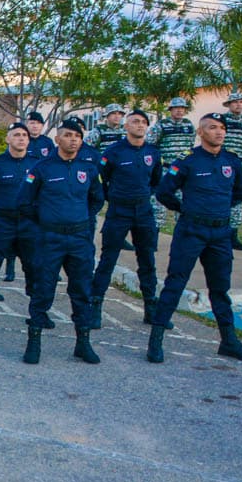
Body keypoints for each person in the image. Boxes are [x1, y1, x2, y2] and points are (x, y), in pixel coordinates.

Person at [147, 113, 242, 363]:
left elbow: (239, 192)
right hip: (191, 231)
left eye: (222, 128)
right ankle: (156, 340)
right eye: (213, 128)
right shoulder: (187, 161)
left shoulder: (231, 161)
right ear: (201, 132)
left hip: (220, 233)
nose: (219, 132)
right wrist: (186, 210)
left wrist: (218, 211)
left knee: (220, 288)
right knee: (175, 283)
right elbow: (164, 192)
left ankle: (228, 341)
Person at [17, 119, 105, 365]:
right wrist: (47, 221)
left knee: (81, 291)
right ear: (57, 139)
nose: (73, 139)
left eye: (77, 136)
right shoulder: (41, 168)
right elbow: (25, 203)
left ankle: (83, 343)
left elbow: (97, 199)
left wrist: (81, 220)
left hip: (79, 238)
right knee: (43, 290)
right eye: (67, 135)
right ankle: (33, 343)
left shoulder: (88, 168)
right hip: (50, 238)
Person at [89, 110, 163, 329]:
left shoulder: (153, 152)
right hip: (118, 212)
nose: (140, 126)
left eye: (143, 122)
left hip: (143, 212)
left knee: (147, 261)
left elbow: (156, 180)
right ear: (126, 126)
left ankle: (151, 308)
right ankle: (95, 308)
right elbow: (101, 181)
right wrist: (113, 198)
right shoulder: (113, 152)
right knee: (107, 260)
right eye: (135, 122)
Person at [0, 123, 38, 327]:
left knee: (34, 268)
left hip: (29, 224)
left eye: (24, 135)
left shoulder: (38, 164)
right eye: (16, 135)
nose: (21, 138)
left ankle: (37, 315)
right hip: (2, 221)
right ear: (8, 139)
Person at [147, 98, 195, 229]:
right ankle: (152, 240)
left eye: (182, 108)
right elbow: (150, 146)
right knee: (158, 205)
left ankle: (183, 236)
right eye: (176, 108)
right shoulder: (161, 125)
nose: (180, 110)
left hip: (183, 172)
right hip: (165, 170)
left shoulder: (189, 125)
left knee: (183, 203)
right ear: (171, 110)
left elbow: (190, 146)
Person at [221, 91, 242, 250]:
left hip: (240, 164)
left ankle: (233, 236)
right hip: (224, 163)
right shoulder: (222, 120)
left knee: (238, 198)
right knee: (221, 196)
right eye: (235, 102)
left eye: (241, 102)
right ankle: (220, 233)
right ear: (229, 105)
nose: (238, 105)